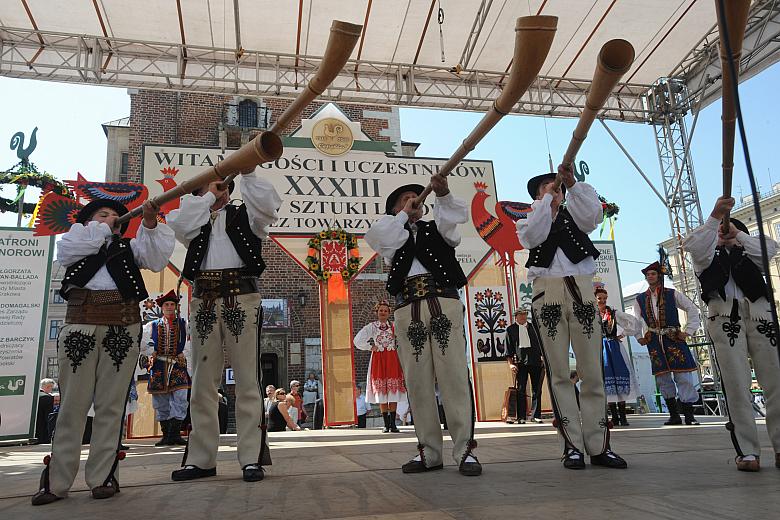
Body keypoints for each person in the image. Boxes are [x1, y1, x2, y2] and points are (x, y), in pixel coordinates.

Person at [32, 198, 174, 506]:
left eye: (116, 216)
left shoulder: (128, 248)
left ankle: (104, 476)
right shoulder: (77, 238)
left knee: (111, 406)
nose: (112, 219)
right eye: (103, 214)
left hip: (122, 326)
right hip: (80, 323)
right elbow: (68, 252)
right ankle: (56, 481)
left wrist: (149, 224)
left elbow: (157, 258)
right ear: (89, 220)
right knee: (72, 405)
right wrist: (102, 228)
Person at [167, 170, 281, 483]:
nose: (218, 192)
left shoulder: (247, 215)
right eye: (208, 188)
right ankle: (201, 458)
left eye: (221, 187)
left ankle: (250, 457)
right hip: (203, 298)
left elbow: (269, 207)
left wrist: (249, 173)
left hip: (241, 296)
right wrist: (205, 196)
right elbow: (180, 224)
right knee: (203, 380)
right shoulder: (194, 218)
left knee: (247, 378)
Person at [365, 175, 481, 476]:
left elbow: (453, 222)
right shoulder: (393, 234)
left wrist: (442, 195)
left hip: (443, 301)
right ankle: (429, 451)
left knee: (453, 375)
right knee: (417, 381)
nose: (412, 202)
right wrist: (403, 215)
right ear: (395, 210)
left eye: (415, 198)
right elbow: (377, 237)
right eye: (405, 199)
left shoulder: (437, 227)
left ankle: (465, 449)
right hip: (408, 308)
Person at [516, 166, 626, 470]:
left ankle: (599, 444)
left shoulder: (575, 214)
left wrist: (573, 184)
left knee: (592, 370)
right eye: (547, 188)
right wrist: (547, 202)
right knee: (559, 372)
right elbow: (534, 237)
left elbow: (592, 216)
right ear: (537, 196)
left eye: (558, 188)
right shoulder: (528, 220)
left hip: (580, 290)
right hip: (547, 293)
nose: (554, 191)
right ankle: (572, 445)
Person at [684, 196, 780, 471]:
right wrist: (715, 217)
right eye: (721, 234)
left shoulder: (751, 253)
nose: (724, 237)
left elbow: (770, 250)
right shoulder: (706, 258)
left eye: (729, 233)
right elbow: (694, 245)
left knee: (776, 381)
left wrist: (737, 234)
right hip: (726, 317)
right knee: (736, 384)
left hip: (760, 315)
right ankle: (748, 450)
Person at [633, 261, 701, 426]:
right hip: (655, 341)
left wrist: (689, 331)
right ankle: (674, 415)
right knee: (663, 379)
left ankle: (689, 416)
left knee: (683, 376)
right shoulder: (640, 298)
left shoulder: (672, 294)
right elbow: (636, 320)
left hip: (674, 338)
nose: (650, 276)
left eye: (653, 274)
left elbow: (692, 308)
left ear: (659, 276)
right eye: (648, 274)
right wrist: (638, 336)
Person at [140, 290, 190, 447]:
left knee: (180, 397)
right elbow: (141, 341)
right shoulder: (151, 325)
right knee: (160, 400)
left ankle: (175, 434)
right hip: (159, 365)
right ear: (162, 307)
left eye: (172, 304)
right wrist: (151, 350)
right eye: (166, 304)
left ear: (175, 307)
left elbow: (194, 340)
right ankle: (166, 434)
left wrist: (184, 352)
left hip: (177, 365)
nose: (169, 307)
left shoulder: (184, 324)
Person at [353, 300, 407, 433]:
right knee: (382, 391)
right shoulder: (372, 327)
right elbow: (357, 340)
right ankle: (386, 424)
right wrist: (371, 347)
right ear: (377, 312)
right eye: (380, 310)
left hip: (393, 358)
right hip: (379, 359)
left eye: (385, 311)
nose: (383, 312)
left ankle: (393, 424)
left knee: (393, 391)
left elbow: (405, 337)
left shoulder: (394, 326)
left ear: (389, 313)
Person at [595, 287, 641, 427]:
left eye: (604, 298)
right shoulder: (593, 314)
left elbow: (633, 322)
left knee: (619, 377)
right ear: (595, 300)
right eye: (599, 299)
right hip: (600, 349)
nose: (602, 301)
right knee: (607, 380)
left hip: (614, 348)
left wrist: (622, 334)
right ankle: (614, 417)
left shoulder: (613, 313)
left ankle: (623, 417)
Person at [504, 309, 545, 424]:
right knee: (521, 389)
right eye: (520, 314)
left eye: (524, 314)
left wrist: (542, 357)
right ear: (515, 316)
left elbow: (541, 344)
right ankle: (521, 416)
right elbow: (508, 350)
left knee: (537, 389)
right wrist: (511, 364)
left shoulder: (534, 328)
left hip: (536, 362)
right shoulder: (511, 330)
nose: (523, 316)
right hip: (520, 363)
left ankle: (536, 414)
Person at [36, 379, 56, 444]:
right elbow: (48, 416)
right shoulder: (47, 398)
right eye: (51, 387)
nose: (51, 389)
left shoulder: (35, 395)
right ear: (47, 387)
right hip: (42, 427)